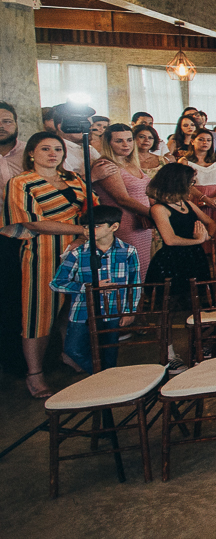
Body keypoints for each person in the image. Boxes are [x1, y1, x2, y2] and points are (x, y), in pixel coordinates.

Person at [2, 131, 94, 398]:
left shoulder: (74, 179)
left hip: (79, 248)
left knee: (73, 305)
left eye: (57, 149)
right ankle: (35, 373)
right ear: (31, 153)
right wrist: (79, 230)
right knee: (39, 312)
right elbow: (30, 221)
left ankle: (69, 352)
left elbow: (91, 207)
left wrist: (82, 235)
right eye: (45, 149)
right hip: (43, 252)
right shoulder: (21, 182)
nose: (53, 153)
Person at [50, 205, 140, 374]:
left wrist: (130, 311)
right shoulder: (77, 253)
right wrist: (88, 288)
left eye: (96, 226)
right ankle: (102, 376)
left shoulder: (128, 251)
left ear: (114, 227)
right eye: (85, 227)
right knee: (73, 349)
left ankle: (106, 382)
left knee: (109, 352)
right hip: (82, 311)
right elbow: (57, 283)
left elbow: (134, 284)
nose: (88, 231)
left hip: (112, 310)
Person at [146, 163, 215, 373]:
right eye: (191, 182)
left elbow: (211, 222)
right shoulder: (159, 208)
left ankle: (198, 347)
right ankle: (169, 354)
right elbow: (170, 239)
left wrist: (207, 236)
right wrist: (198, 241)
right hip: (172, 262)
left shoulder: (187, 204)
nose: (193, 186)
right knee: (169, 310)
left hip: (194, 259)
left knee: (198, 306)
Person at [94, 124, 153, 278]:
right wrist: (153, 213)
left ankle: (138, 301)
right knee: (128, 270)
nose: (126, 144)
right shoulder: (106, 164)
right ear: (108, 143)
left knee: (142, 267)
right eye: (119, 141)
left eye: (129, 140)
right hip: (124, 222)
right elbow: (122, 199)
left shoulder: (131, 162)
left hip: (142, 222)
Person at [0, 102, 27, 376]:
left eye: (7, 121)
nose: (2, 126)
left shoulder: (29, 154)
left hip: (23, 235)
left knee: (16, 299)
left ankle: (18, 361)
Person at [187, 129, 216, 237]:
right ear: (192, 141)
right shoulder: (184, 161)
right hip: (196, 196)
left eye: (208, 140)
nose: (205, 143)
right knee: (200, 227)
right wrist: (204, 198)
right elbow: (186, 184)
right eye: (201, 140)